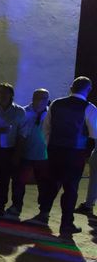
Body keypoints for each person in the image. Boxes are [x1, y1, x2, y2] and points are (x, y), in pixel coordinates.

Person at [37, 77, 97, 234]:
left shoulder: (56, 103)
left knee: (51, 183)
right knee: (70, 189)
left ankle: (43, 213)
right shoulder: (89, 108)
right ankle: (66, 223)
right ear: (88, 89)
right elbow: (94, 133)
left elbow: (46, 129)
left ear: (71, 87)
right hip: (75, 153)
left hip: (55, 150)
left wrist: (50, 146)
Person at [0, 83, 27, 216]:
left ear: (12, 94)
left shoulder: (19, 112)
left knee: (4, 180)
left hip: (8, 150)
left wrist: (17, 154)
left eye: (6, 93)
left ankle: (0, 208)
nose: (3, 95)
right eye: (0, 92)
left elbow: (22, 134)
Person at [6, 89, 50, 218]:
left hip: (43, 155)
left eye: (45, 98)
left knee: (43, 184)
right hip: (24, 153)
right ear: (33, 97)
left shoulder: (50, 114)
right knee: (19, 182)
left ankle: (44, 210)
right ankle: (16, 206)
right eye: (39, 97)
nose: (42, 101)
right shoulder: (23, 112)